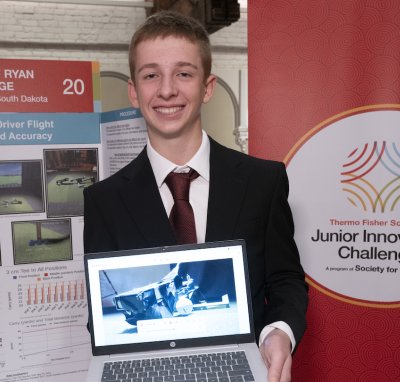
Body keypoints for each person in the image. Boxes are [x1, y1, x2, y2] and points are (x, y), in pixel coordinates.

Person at [83, 11, 308, 382]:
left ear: (207, 87)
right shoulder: (103, 201)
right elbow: (101, 316)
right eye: (151, 75)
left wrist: (278, 333)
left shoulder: (262, 181)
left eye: (184, 73)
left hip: (239, 370)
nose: (167, 90)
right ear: (133, 92)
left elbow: (285, 279)